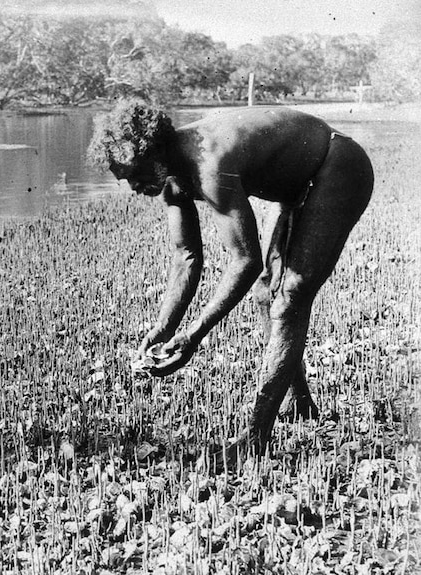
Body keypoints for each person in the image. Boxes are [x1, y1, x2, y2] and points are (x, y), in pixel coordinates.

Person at [87, 101, 374, 460]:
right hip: (296, 184)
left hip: (338, 165)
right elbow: (187, 257)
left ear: (151, 152)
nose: (131, 186)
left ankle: (256, 437)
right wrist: (164, 327)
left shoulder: (209, 162)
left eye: (132, 173)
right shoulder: (171, 179)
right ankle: (298, 402)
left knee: (289, 297)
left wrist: (193, 336)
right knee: (265, 295)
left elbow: (245, 260)